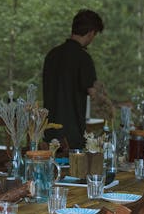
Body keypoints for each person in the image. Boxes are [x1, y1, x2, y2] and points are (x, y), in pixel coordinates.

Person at [43, 9, 104, 152]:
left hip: (49, 132)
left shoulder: (52, 55)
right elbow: (95, 96)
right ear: (91, 32)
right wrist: (118, 105)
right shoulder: (83, 58)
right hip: (72, 137)